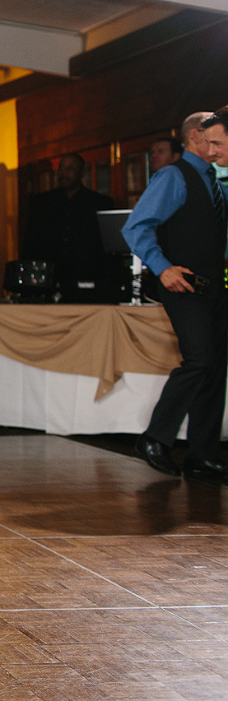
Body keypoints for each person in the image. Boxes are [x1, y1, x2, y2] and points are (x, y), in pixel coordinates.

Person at [124, 111, 228, 485]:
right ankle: (154, 438)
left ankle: (202, 457)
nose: (216, 148)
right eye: (212, 141)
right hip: (183, 286)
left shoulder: (214, 182)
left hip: (215, 288)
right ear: (196, 137)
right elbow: (135, 227)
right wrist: (162, 267)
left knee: (215, 369)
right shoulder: (173, 176)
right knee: (199, 361)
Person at [22, 153, 115, 302]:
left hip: (88, 287)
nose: (64, 173)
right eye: (61, 168)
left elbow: (107, 250)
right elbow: (31, 244)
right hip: (48, 286)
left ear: (81, 173)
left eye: (70, 168)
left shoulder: (99, 204)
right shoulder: (42, 203)